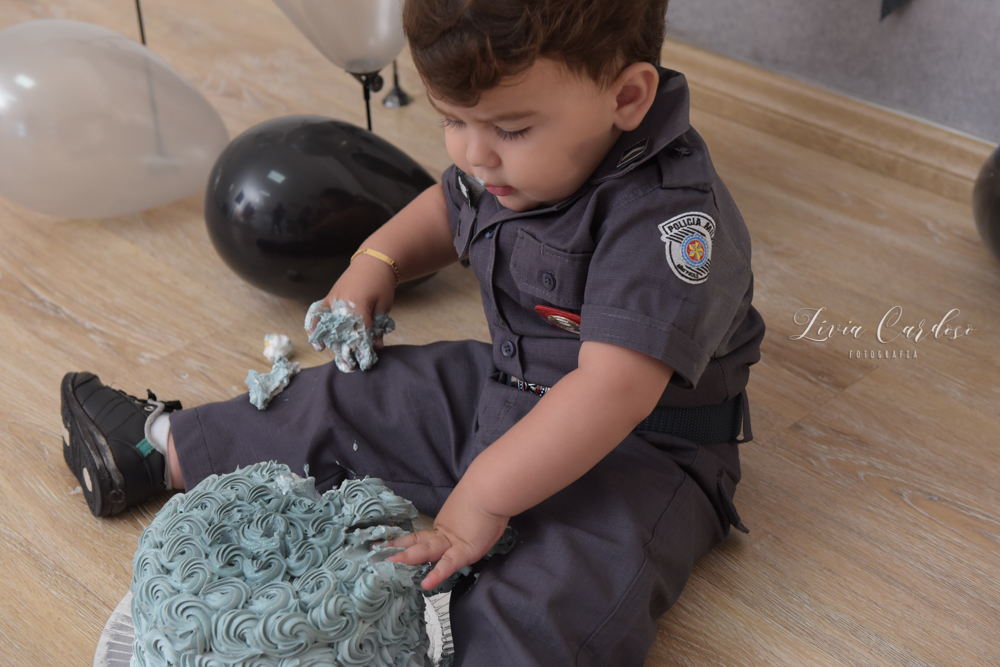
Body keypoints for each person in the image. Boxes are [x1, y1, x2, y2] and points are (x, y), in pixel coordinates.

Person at [60, 0, 765, 663]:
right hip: (506, 383)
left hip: (641, 448)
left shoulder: (669, 218)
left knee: (565, 589)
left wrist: (484, 496)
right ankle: (160, 447)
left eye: (510, 129)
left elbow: (614, 392)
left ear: (627, 97)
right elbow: (448, 205)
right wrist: (379, 259)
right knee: (358, 396)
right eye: (451, 121)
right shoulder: (501, 159)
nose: (473, 155)